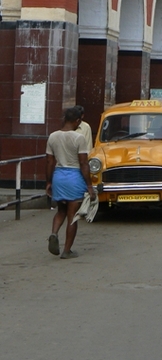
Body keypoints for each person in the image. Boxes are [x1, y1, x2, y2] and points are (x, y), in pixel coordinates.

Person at [45, 107, 96, 258]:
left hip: (58, 177)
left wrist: (48, 182)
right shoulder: (79, 138)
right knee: (72, 216)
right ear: (77, 121)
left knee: (61, 211)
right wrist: (89, 185)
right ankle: (67, 251)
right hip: (74, 178)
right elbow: (84, 163)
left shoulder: (53, 137)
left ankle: (54, 233)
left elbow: (49, 162)